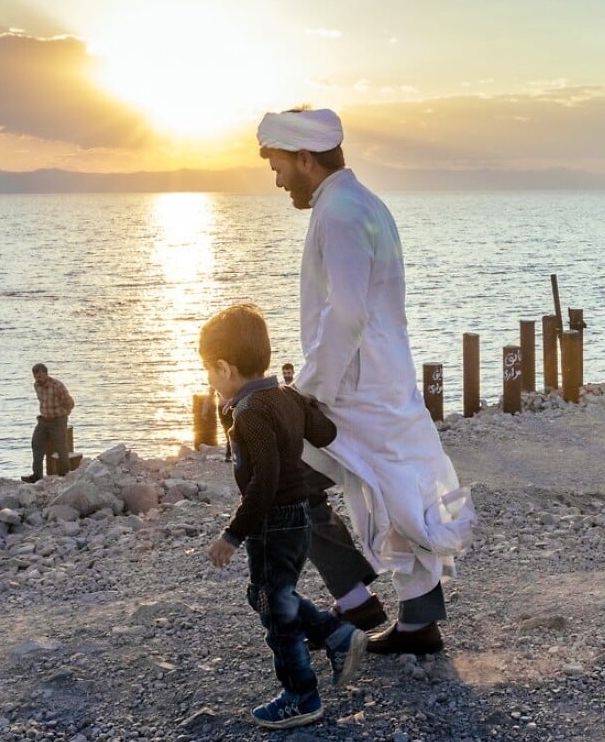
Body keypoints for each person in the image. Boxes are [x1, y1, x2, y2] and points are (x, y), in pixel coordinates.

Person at [258, 106, 476, 655]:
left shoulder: (341, 213)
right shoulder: (361, 202)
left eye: (280, 166)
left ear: (305, 159)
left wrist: (306, 393)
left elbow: (348, 312)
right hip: (377, 381)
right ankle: (412, 619)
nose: (278, 179)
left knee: (293, 482)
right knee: (401, 487)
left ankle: (358, 601)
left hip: (351, 392)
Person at [200, 303, 367, 729]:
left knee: (275, 608)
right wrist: (304, 402)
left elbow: (265, 483)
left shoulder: (250, 413)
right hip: (300, 520)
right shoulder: (284, 396)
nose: (208, 380)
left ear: (225, 367)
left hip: (273, 523)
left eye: (208, 371)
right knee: (266, 595)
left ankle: (301, 695)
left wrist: (232, 534)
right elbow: (325, 434)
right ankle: (335, 634)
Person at [22, 363, 74, 483]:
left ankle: (65, 475)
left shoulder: (57, 386)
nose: (38, 378)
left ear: (46, 374)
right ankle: (37, 475)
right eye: (35, 376)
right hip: (43, 420)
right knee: (36, 444)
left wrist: (63, 415)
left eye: (40, 375)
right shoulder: (36, 386)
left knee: (61, 448)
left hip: (58, 420)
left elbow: (70, 403)